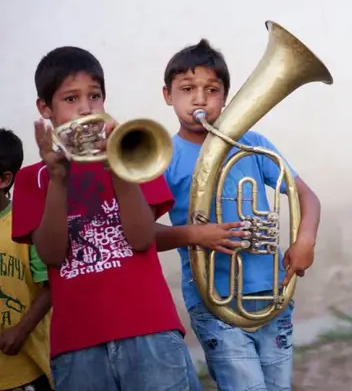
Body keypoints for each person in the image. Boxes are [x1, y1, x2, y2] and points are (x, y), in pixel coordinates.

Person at [11, 46, 202, 391]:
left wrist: (118, 167)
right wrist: (58, 179)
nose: (86, 108)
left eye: (94, 96)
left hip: (150, 328)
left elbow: (142, 239)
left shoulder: (136, 156)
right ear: (45, 109)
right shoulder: (31, 180)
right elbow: (53, 255)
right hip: (76, 345)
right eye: (70, 99)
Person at [155, 38, 321, 391]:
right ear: (168, 95)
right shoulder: (163, 156)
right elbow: (142, 232)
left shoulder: (254, 144)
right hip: (214, 302)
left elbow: (307, 197)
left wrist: (304, 240)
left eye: (211, 90)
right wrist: (196, 235)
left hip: (272, 296)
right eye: (187, 89)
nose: (200, 99)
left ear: (226, 97)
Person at [0, 128, 53, 391]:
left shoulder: (24, 226)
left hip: (25, 370)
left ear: (3, 179)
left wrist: (20, 331)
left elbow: (50, 285)